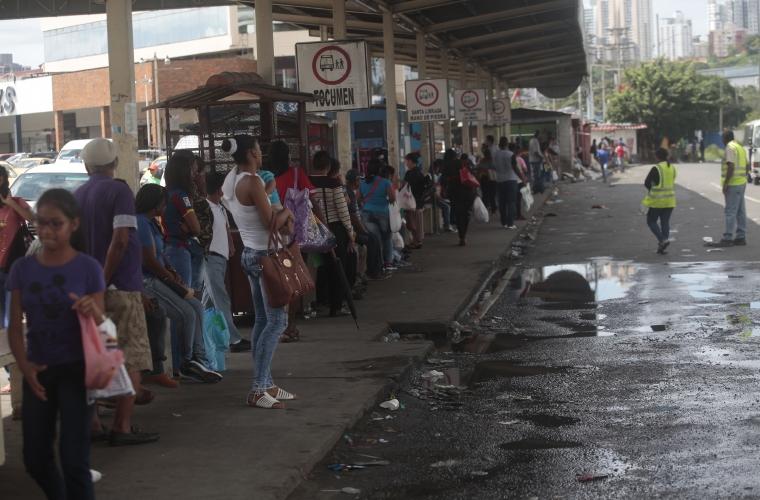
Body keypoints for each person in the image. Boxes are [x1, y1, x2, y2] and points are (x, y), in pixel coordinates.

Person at [7, 189, 104, 500]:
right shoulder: (23, 268)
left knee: (74, 461)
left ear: (73, 224)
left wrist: (92, 310)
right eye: (41, 223)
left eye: (55, 224)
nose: (46, 231)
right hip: (39, 370)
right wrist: (25, 368)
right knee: (35, 458)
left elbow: (103, 325)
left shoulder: (88, 267)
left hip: (78, 370)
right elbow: (14, 326)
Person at [74, 138, 158, 446]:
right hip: (119, 287)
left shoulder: (77, 195)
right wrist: (104, 278)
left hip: (87, 292)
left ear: (87, 166)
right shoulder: (119, 191)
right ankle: (122, 426)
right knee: (131, 357)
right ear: (114, 164)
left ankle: (93, 423)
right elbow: (121, 239)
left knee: (96, 356)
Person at [221, 134, 296, 409]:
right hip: (267, 257)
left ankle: (267, 383)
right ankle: (257, 388)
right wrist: (288, 212)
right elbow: (271, 222)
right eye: (258, 149)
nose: (261, 154)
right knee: (277, 323)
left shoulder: (232, 180)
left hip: (251, 254)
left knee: (263, 321)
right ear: (252, 153)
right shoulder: (252, 181)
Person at [135, 184, 223, 383]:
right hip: (149, 280)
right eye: (163, 204)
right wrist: (168, 276)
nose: (165, 208)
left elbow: (160, 254)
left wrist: (171, 272)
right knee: (186, 314)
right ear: (155, 204)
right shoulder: (141, 223)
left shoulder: (151, 223)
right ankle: (186, 361)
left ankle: (198, 357)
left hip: (159, 276)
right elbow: (148, 260)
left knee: (196, 307)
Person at [203, 172, 250, 352]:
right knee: (220, 299)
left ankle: (207, 336)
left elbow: (225, 228)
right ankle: (232, 339)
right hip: (211, 257)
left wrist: (230, 245)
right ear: (219, 189)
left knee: (209, 301)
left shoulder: (220, 207)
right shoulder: (206, 208)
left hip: (220, 257)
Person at [310, 151, 356, 316]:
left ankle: (320, 300)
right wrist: (350, 233)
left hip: (314, 229)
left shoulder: (307, 182)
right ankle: (336, 306)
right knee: (337, 266)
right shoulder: (333, 183)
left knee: (321, 267)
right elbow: (343, 210)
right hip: (335, 228)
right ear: (329, 166)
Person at [0, 164, 34, 326]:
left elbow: (33, 219)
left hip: (11, 266)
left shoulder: (16, 202)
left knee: (11, 316)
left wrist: (11, 204)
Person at [162, 151, 201, 288]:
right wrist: (190, 229)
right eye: (193, 170)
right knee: (186, 293)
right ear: (185, 170)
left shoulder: (168, 192)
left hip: (171, 248)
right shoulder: (181, 196)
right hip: (179, 250)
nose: (195, 174)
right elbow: (196, 228)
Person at [708, 130, 749, 247]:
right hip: (741, 183)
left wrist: (726, 183)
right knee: (740, 211)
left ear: (725, 138)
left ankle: (728, 237)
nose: (722, 140)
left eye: (722, 138)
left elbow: (731, 166)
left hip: (733, 184)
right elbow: (747, 166)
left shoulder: (730, 148)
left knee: (730, 211)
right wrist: (744, 178)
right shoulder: (740, 147)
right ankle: (741, 237)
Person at [345, 168, 384, 280]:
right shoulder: (349, 193)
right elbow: (353, 217)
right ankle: (372, 272)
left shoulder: (350, 192)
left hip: (353, 229)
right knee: (372, 240)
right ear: (355, 180)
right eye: (359, 180)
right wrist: (363, 230)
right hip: (352, 231)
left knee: (374, 239)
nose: (360, 183)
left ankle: (375, 270)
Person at [360, 159, 396, 270]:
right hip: (382, 213)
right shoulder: (385, 182)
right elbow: (392, 198)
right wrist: (383, 201)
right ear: (380, 169)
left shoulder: (363, 182)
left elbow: (358, 199)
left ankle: (378, 264)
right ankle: (388, 263)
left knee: (375, 240)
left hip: (366, 213)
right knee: (387, 238)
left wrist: (367, 203)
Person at [642, 148, 677, 255]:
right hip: (670, 201)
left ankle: (662, 240)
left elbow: (647, 183)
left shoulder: (656, 168)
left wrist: (652, 188)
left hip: (657, 201)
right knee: (665, 222)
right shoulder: (672, 167)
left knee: (651, 221)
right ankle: (662, 247)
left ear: (657, 157)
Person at [441, 149, 477, 246]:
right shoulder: (463, 163)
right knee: (466, 214)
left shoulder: (446, 165)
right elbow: (472, 174)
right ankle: (463, 235)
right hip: (468, 192)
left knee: (458, 214)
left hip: (455, 193)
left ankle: (461, 236)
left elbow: (443, 180)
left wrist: (444, 190)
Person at [492, 137, 520, 229]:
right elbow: (515, 167)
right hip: (511, 180)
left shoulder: (496, 155)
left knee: (502, 203)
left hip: (500, 180)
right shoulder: (510, 154)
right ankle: (510, 223)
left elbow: (494, 166)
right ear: (507, 144)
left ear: (499, 144)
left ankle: (504, 222)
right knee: (511, 202)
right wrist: (523, 177)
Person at [401, 152, 426, 249]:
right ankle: (417, 240)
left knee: (412, 222)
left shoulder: (410, 173)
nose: (406, 163)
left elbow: (405, 186)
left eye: (406, 161)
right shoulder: (419, 172)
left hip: (412, 201)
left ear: (411, 161)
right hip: (418, 201)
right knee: (416, 222)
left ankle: (417, 241)